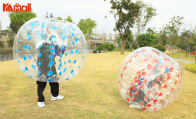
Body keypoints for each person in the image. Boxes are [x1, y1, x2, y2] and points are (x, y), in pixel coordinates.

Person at [36, 28, 65, 108]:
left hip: (51, 63)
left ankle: (54, 95)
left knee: (54, 80)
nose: (53, 30)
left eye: (54, 29)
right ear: (48, 29)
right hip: (42, 63)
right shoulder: (43, 37)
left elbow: (58, 52)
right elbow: (38, 47)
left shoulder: (54, 39)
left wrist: (60, 45)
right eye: (51, 28)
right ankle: (40, 100)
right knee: (42, 81)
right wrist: (47, 39)